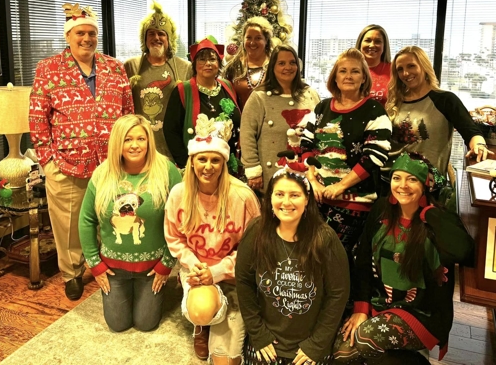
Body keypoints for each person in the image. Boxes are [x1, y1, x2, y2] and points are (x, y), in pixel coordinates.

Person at [29, 3, 133, 301]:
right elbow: (37, 117)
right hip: (66, 163)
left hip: (110, 164)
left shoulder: (115, 67)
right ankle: (72, 273)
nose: (86, 38)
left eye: (91, 33)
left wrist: (127, 155)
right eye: (80, 33)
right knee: (69, 225)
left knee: (111, 216)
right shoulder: (49, 68)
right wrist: (48, 161)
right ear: (68, 36)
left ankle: (109, 263)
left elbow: (128, 112)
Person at [333, 153, 475, 363]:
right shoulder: (381, 209)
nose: (402, 185)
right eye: (396, 178)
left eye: (412, 179)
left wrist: (427, 213)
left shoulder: (439, 219)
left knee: (364, 340)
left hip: (422, 313)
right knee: (342, 354)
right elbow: (362, 260)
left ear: (424, 185)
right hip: (381, 302)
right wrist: (361, 308)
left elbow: (465, 253)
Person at [164, 114, 260, 363]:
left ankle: (231, 314)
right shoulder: (179, 194)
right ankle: (203, 324)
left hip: (233, 275)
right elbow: (174, 238)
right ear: (192, 161)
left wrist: (217, 271)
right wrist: (195, 266)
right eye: (202, 159)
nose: (208, 166)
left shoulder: (243, 197)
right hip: (197, 271)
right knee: (202, 311)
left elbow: (253, 249)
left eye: (215, 160)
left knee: (225, 361)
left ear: (224, 162)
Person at [236, 169, 350, 365]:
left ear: (307, 200)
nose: (286, 202)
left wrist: (316, 344)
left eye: (294, 195)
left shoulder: (325, 238)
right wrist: (258, 333)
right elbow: (244, 282)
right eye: (279, 194)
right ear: (270, 198)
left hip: (310, 345)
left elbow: (338, 293)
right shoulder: (256, 231)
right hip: (267, 341)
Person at [79, 115, 181, 332]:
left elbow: (180, 219)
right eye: (127, 139)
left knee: (146, 324)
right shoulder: (102, 174)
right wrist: (95, 265)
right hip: (113, 269)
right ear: (118, 142)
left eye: (141, 139)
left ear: (149, 141)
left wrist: (166, 263)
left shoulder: (167, 171)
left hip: (153, 267)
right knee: (117, 324)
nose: (135, 145)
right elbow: (86, 220)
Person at [300, 48, 391, 259]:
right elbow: (306, 144)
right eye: (343, 71)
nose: (348, 76)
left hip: (355, 202)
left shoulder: (374, 111)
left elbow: (374, 156)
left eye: (355, 71)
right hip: (317, 197)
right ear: (335, 77)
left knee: (334, 258)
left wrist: (340, 186)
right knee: (309, 253)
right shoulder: (322, 107)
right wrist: (312, 180)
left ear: (364, 78)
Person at [385, 46, 490, 178]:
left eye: (411, 66)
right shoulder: (395, 102)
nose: (405, 73)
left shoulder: (445, 100)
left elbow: (471, 132)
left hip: (428, 182)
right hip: (389, 178)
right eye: (400, 69)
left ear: (424, 66)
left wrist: (479, 145)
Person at [240, 45, 320, 193]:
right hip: (271, 173)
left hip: (307, 172)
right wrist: (252, 168)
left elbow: (320, 131)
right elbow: (247, 134)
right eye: (281, 63)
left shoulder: (310, 94)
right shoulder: (259, 97)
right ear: (273, 67)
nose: (288, 67)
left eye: (292, 62)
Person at [124, 1, 192, 160]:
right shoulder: (131, 66)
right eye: (151, 34)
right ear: (144, 38)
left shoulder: (185, 67)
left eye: (161, 34)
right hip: (140, 144)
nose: (156, 38)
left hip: (174, 144)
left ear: (169, 38)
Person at [164, 37, 241, 173]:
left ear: (219, 63)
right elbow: (171, 131)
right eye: (202, 59)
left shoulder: (228, 86)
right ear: (194, 64)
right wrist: (187, 164)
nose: (208, 63)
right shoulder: (183, 90)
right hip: (198, 168)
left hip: (228, 165)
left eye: (212, 59)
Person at [223, 16, 274, 110]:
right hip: (240, 118)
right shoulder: (233, 66)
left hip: (270, 118)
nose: (252, 43)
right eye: (249, 38)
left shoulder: (275, 65)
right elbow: (225, 97)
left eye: (258, 38)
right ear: (243, 40)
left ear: (266, 40)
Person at [355, 24, 392, 105]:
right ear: (360, 43)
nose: (372, 45)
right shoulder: (349, 69)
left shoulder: (394, 70)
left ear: (384, 46)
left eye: (378, 41)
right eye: (368, 40)